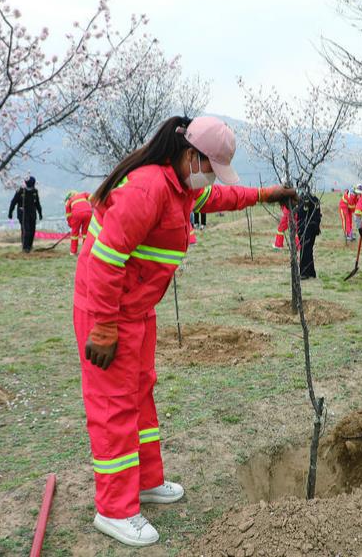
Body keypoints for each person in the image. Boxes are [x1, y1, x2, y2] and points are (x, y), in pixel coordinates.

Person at [72, 115, 295, 547]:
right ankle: (114, 509)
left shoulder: (180, 186)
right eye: (210, 167)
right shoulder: (148, 189)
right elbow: (105, 259)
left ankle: (145, 482)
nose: (210, 177)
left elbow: (220, 197)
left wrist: (265, 194)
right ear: (191, 155)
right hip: (109, 311)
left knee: (140, 394)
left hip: (136, 309)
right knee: (114, 405)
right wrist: (103, 327)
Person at [8, 176, 43, 253]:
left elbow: (37, 203)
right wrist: (10, 213)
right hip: (23, 213)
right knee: (26, 230)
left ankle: (30, 246)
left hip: (32, 213)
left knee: (32, 230)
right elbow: (13, 202)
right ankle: (25, 247)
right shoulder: (20, 191)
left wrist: (40, 213)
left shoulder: (34, 192)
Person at [295, 193, 322, 279]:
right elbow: (317, 215)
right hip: (313, 228)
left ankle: (304, 273)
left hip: (305, 228)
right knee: (309, 249)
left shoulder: (303, 200)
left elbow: (301, 215)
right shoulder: (315, 199)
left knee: (305, 250)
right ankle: (311, 272)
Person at [66, 190, 94, 256]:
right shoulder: (83, 194)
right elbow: (92, 197)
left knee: (74, 234)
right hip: (88, 212)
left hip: (76, 215)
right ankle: (86, 251)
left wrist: (71, 224)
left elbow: (68, 216)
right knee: (86, 233)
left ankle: (73, 252)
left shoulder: (69, 202)